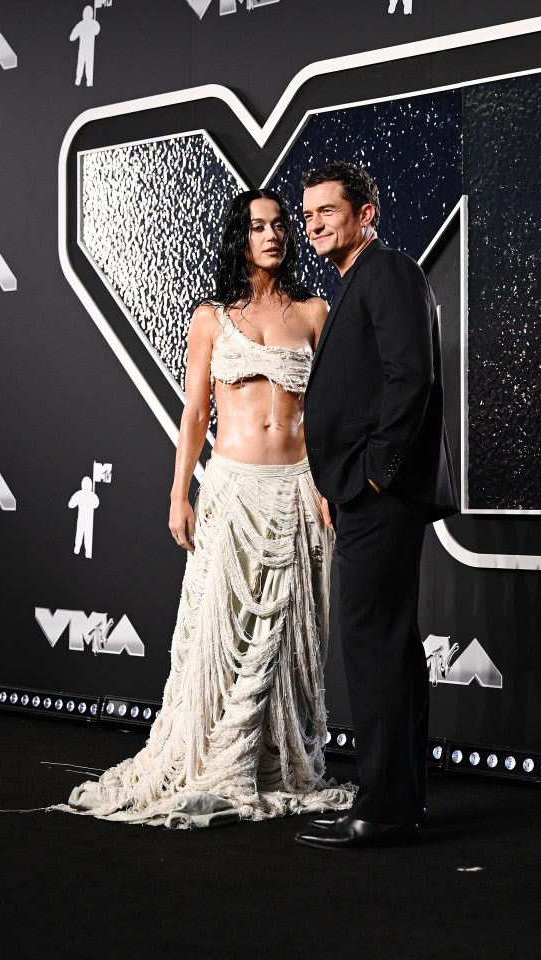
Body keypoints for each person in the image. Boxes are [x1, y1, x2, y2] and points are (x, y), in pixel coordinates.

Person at [63, 188, 355, 828]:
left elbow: (333, 409)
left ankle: (277, 763)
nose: (273, 235)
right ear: (240, 238)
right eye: (258, 227)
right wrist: (179, 491)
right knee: (219, 636)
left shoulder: (314, 313)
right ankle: (214, 759)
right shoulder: (211, 318)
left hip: (300, 490)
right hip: (231, 489)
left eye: (280, 225)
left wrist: (331, 482)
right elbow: (195, 412)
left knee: (288, 642)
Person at [295, 162, 459, 850]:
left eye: (327, 211)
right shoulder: (356, 282)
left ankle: (384, 807)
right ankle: (399, 802)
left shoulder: (386, 270)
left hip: (381, 495)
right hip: (366, 494)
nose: (312, 225)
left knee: (372, 643)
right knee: (387, 647)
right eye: (307, 216)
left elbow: (411, 375)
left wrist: (369, 477)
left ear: (366, 214)